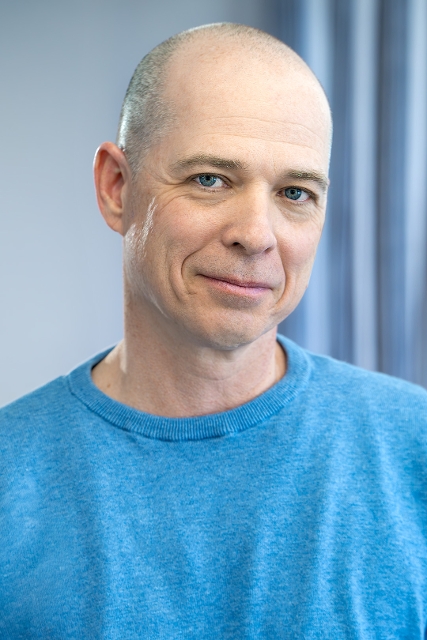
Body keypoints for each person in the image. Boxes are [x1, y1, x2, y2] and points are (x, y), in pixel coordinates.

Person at [1, 22, 426, 639]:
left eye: (295, 192)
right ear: (117, 188)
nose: (255, 234)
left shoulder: (415, 446)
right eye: (210, 180)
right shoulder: (11, 476)